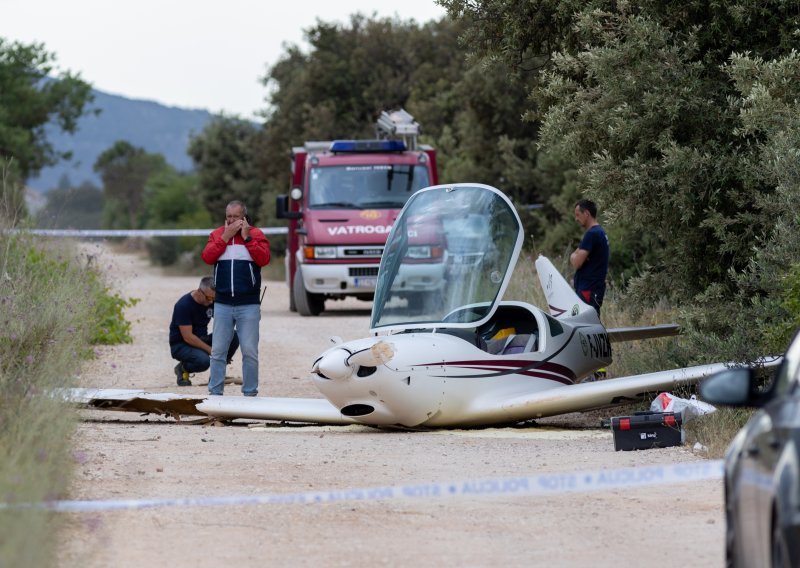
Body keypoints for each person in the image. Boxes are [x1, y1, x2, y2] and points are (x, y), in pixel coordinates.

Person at [201, 200, 270, 396]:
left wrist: (247, 239)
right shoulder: (217, 235)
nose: (232, 220)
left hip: (248, 304)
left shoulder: (256, 235)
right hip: (222, 303)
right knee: (218, 351)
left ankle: (249, 393)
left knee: (249, 351)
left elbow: (264, 259)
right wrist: (225, 237)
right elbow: (207, 257)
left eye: (236, 217)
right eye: (229, 216)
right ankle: (215, 393)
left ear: (244, 218)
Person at [169, 277, 240, 386]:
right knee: (204, 361)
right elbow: (188, 337)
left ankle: (218, 374)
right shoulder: (183, 305)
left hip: (201, 338)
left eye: (213, 298)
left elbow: (224, 321)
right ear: (199, 291)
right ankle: (182, 369)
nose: (211, 301)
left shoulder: (211, 301)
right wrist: (211, 350)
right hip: (181, 344)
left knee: (232, 335)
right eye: (208, 298)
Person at [570, 198, 609, 317]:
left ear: (586, 213)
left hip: (588, 289)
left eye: (578, 215)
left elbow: (576, 262)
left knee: (586, 323)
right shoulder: (600, 232)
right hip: (594, 288)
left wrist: (572, 255)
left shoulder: (592, 234)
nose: (576, 219)